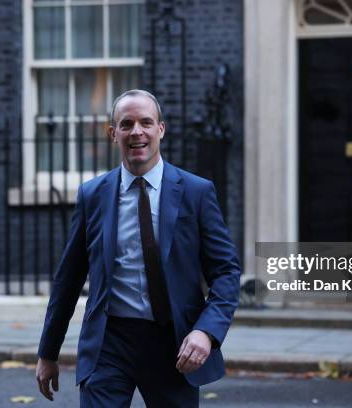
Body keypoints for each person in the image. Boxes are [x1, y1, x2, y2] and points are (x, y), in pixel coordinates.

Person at [35, 89, 241, 407]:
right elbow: (69, 278)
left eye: (146, 122)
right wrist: (48, 352)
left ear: (160, 129)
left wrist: (206, 332)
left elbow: (226, 272)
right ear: (112, 133)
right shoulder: (93, 195)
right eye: (126, 123)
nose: (136, 132)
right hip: (109, 341)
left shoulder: (196, 192)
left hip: (173, 342)